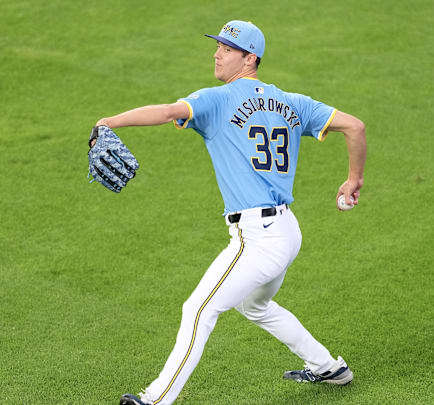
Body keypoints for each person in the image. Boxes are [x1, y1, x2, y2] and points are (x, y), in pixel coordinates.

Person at [96, 20, 367, 405]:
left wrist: (109, 122)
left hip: (257, 239)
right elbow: (355, 127)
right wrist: (353, 179)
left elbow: (166, 111)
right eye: (218, 46)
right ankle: (328, 367)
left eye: (226, 48)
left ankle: (156, 400)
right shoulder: (293, 102)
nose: (217, 53)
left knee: (198, 310)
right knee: (255, 306)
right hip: (287, 231)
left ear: (249, 57)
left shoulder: (217, 100)